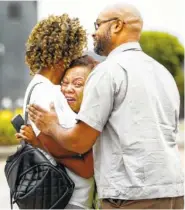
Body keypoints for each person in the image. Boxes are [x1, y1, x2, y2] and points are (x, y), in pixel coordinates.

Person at [28, 3, 184, 209]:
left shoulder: (108, 71)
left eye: (98, 25)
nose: (93, 33)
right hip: (173, 191)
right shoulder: (162, 72)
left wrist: (52, 126)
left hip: (131, 195)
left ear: (117, 26)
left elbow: (80, 142)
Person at [17, 14, 96, 209]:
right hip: (70, 198)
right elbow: (79, 148)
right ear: (64, 53)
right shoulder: (52, 93)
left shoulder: (35, 87)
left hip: (59, 196)